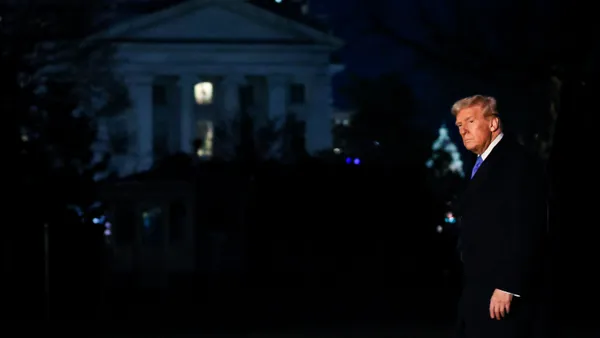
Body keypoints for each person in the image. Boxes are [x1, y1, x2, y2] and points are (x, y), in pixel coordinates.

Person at [452, 95, 550, 338]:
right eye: (459, 125)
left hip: (502, 294)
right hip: (478, 289)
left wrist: (508, 285)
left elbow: (527, 225)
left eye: (470, 122)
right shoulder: (483, 164)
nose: (463, 130)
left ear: (493, 124)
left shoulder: (516, 163)